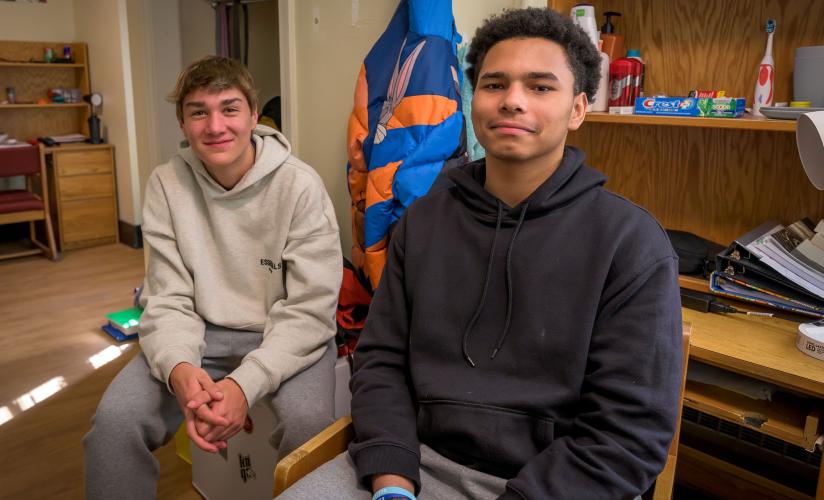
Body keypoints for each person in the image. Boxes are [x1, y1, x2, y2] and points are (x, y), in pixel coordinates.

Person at [282, 6, 683, 500]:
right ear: (473, 102)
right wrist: (391, 481)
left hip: (552, 482)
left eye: (540, 87)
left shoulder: (630, 242)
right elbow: (381, 360)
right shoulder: (424, 221)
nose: (513, 101)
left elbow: (628, 435)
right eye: (495, 85)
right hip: (414, 460)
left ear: (578, 108)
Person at [83, 55, 343, 499]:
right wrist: (180, 368)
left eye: (229, 108)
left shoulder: (300, 186)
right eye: (198, 112)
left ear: (254, 115)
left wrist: (245, 384)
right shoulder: (166, 184)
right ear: (182, 124)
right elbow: (167, 297)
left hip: (286, 333)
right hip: (199, 330)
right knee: (114, 424)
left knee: (310, 426)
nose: (215, 125)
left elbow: (310, 310)